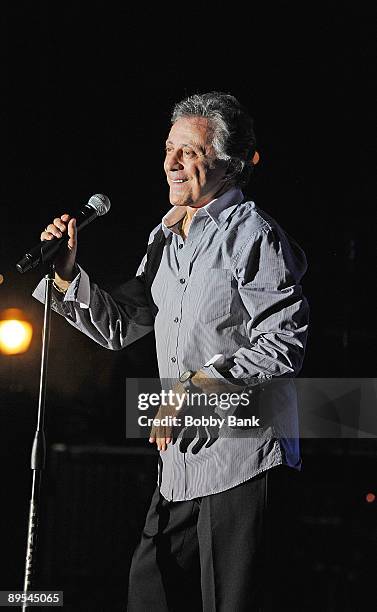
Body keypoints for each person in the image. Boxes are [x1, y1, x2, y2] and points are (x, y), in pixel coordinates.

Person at [33, 92, 309, 611]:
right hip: (180, 463)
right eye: (169, 149)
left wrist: (199, 387)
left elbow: (285, 342)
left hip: (243, 458)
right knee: (150, 592)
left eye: (191, 152)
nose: (173, 163)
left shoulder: (253, 234)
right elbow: (125, 326)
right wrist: (67, 275)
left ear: (227, 164)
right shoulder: (164, 238)